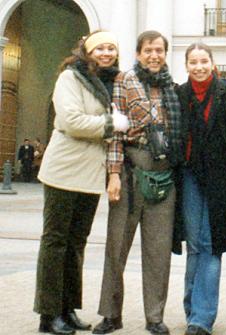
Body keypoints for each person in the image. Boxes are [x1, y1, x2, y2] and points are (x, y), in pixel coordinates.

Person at [34, 31, 128, 335]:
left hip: (89, 175)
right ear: (87, 51)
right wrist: (112, 124)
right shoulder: (70, 79)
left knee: (76, 243)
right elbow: (72, 121)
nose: (106, 53)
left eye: (111, 48)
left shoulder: (112, 82)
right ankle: (48, 315)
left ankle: (68, 308)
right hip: (64, 170)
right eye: (100, 47)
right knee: (55, 241)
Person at [92, 30, 181, 335]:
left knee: (158, 252)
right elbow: (116, 131)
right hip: (130, 173)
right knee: (116, 247)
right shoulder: (124, 81)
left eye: (159, 50)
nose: (154, 55)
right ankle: (111, 315)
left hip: (164, 176)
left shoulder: (173, 87)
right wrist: (113, 173)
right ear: (138, 53)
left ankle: (154, 317)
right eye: (148, 50)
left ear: (165, 54)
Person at [175, 42, 226, 335]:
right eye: (193, 61)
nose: (199, 66)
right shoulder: (179, 94)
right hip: (190, 176)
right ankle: (192, 308)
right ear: (187, 65)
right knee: (194, 243)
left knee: (210, 244)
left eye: (204, 60)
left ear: (212, 63)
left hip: (221, 179)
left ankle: (202, 317)